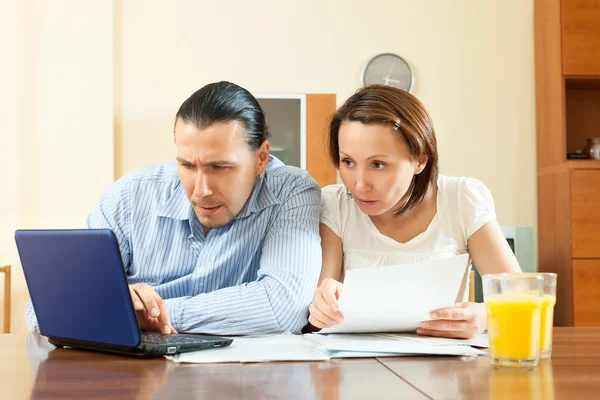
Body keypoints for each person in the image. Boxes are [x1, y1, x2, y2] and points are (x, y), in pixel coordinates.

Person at [26, 81, 322, 335]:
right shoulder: (131, 196)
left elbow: (284, 306)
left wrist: (146, 316)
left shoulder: (291, 191)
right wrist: (118, 310)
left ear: (261, 159)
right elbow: (40, 310)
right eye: (187, 165)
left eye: (220, 167)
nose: (201, 189)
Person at [307, 84, 521, 339]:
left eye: (378, 164)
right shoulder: (336, 204)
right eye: (348, 162)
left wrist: (486, 316)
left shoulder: (461, 199)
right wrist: (320, 307)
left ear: (420, 160)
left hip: (442, 366)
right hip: (357, 366)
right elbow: (319, 307)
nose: (360, 183)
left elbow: (520, 296)